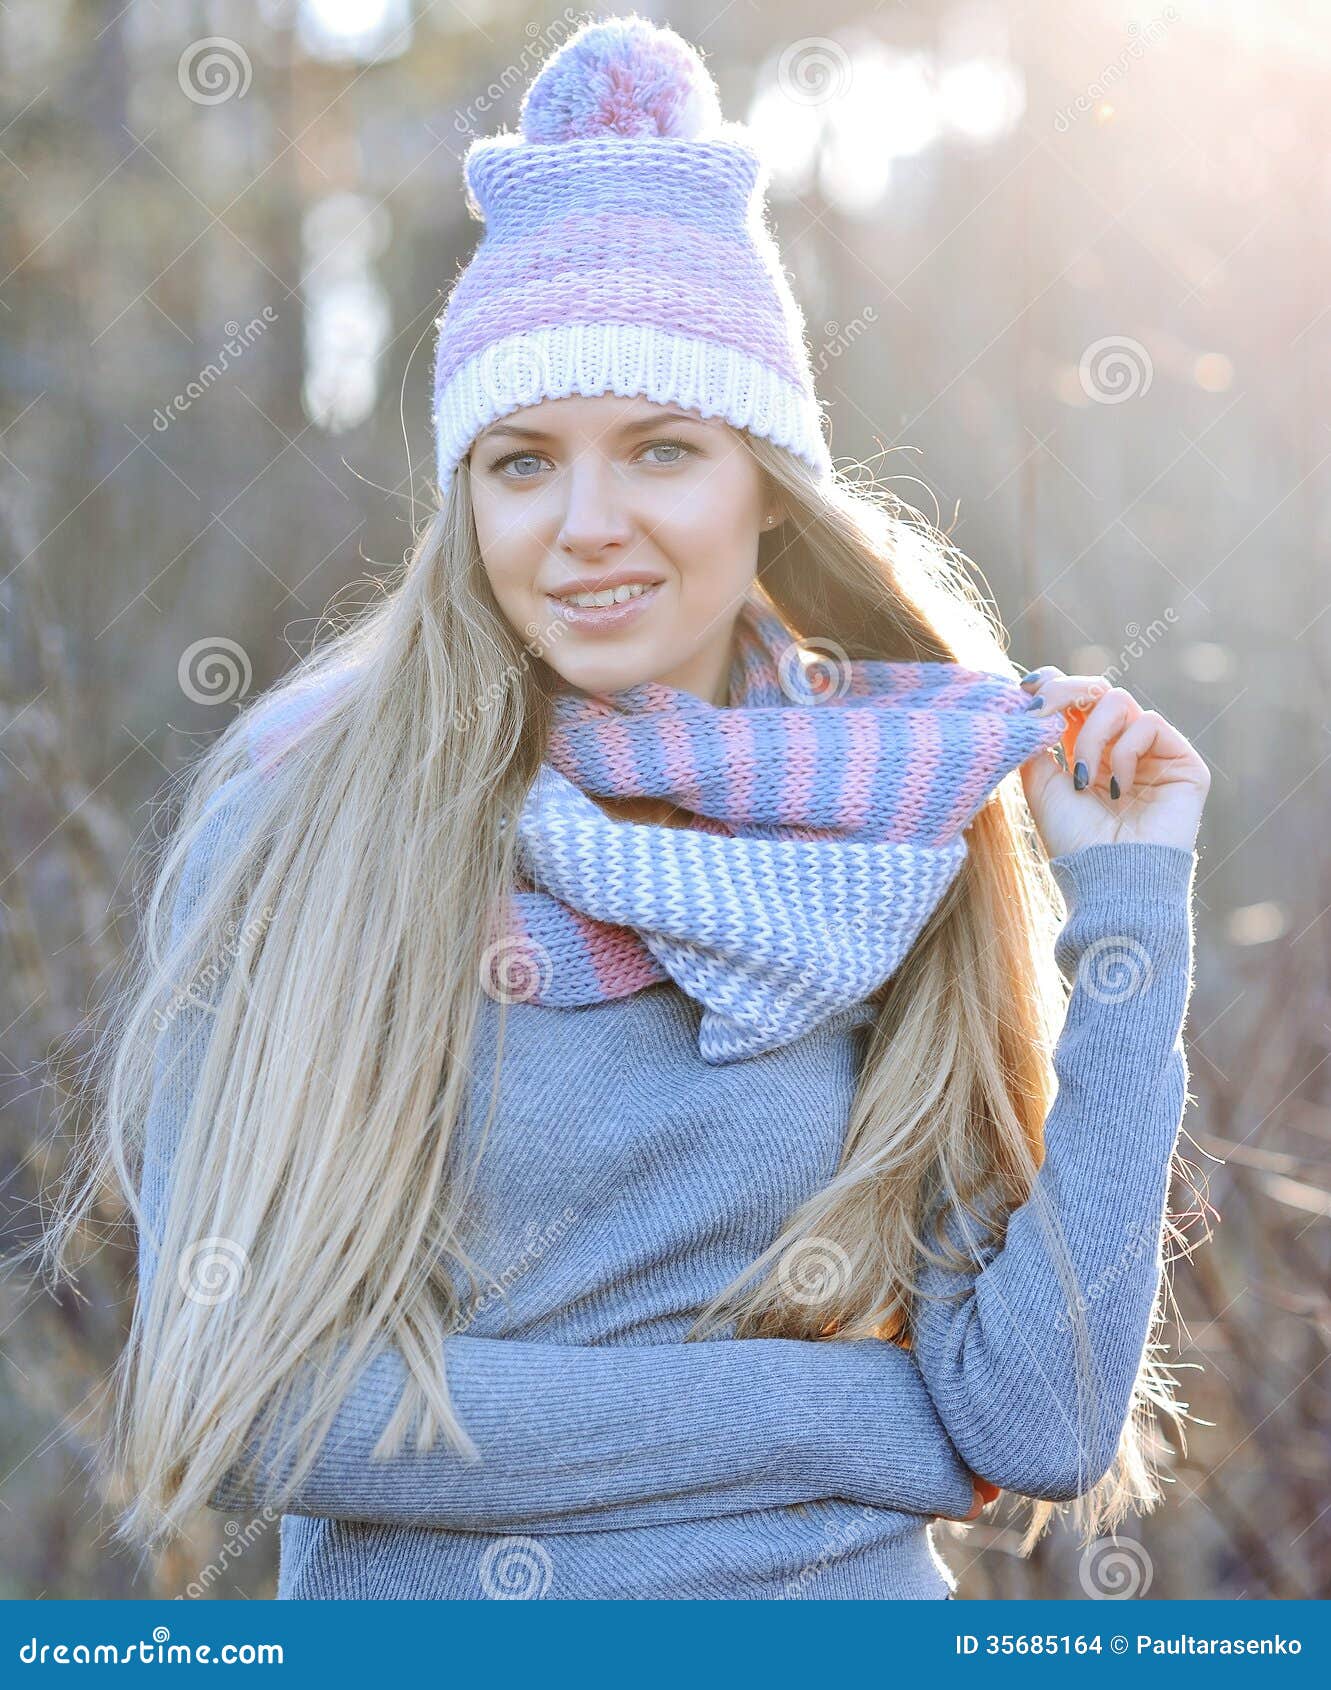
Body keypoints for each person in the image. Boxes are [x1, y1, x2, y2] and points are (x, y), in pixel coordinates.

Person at [36, 15, 1207, 1600]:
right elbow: (248, 1395)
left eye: (662, 448)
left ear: (763, 481)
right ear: (468, 496)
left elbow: (1038, 1416)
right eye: (523, 462)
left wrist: (1131, 914)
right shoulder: (306, 816)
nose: (588, 527)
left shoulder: (894, 811)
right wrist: (846, 1419)